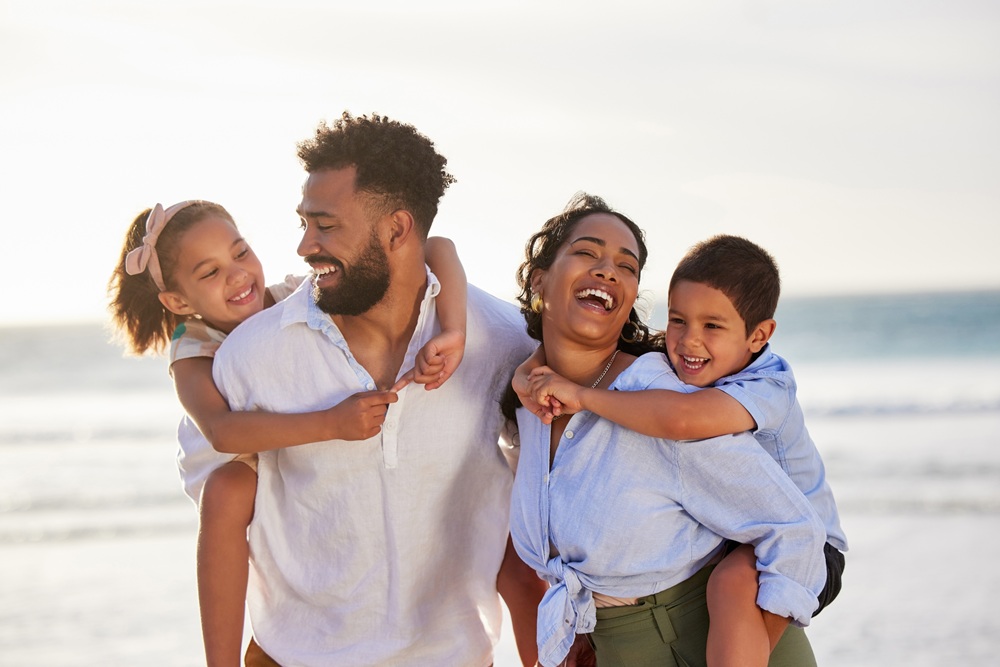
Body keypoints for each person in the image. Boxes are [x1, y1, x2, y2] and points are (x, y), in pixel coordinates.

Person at [209, 112, 547, 667]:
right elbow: (220, 514)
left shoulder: (502, 344)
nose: (303, 246)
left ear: (396, 229)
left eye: (325, 225)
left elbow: (542, 515)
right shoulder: (252, 357)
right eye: (303, 223)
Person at [107, 199, 469, 666]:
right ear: (178, 302)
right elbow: (220, 431)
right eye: (210, 273)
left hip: (293, 438)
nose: (237, 276)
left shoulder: (291, 297)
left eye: (240, 253)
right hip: (238, 452)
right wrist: (332, 424)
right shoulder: (191, 348)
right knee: (227, 492)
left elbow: (438, 247)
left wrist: (454, 328)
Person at [502, 194, 828, 667]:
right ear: (540, 281)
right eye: (587, 253)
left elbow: (792, 527)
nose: (608, 271)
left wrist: (766, 628)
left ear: (632, 297)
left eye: (626, 266)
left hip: (718, 642)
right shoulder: (530, 404)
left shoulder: (661, 399)